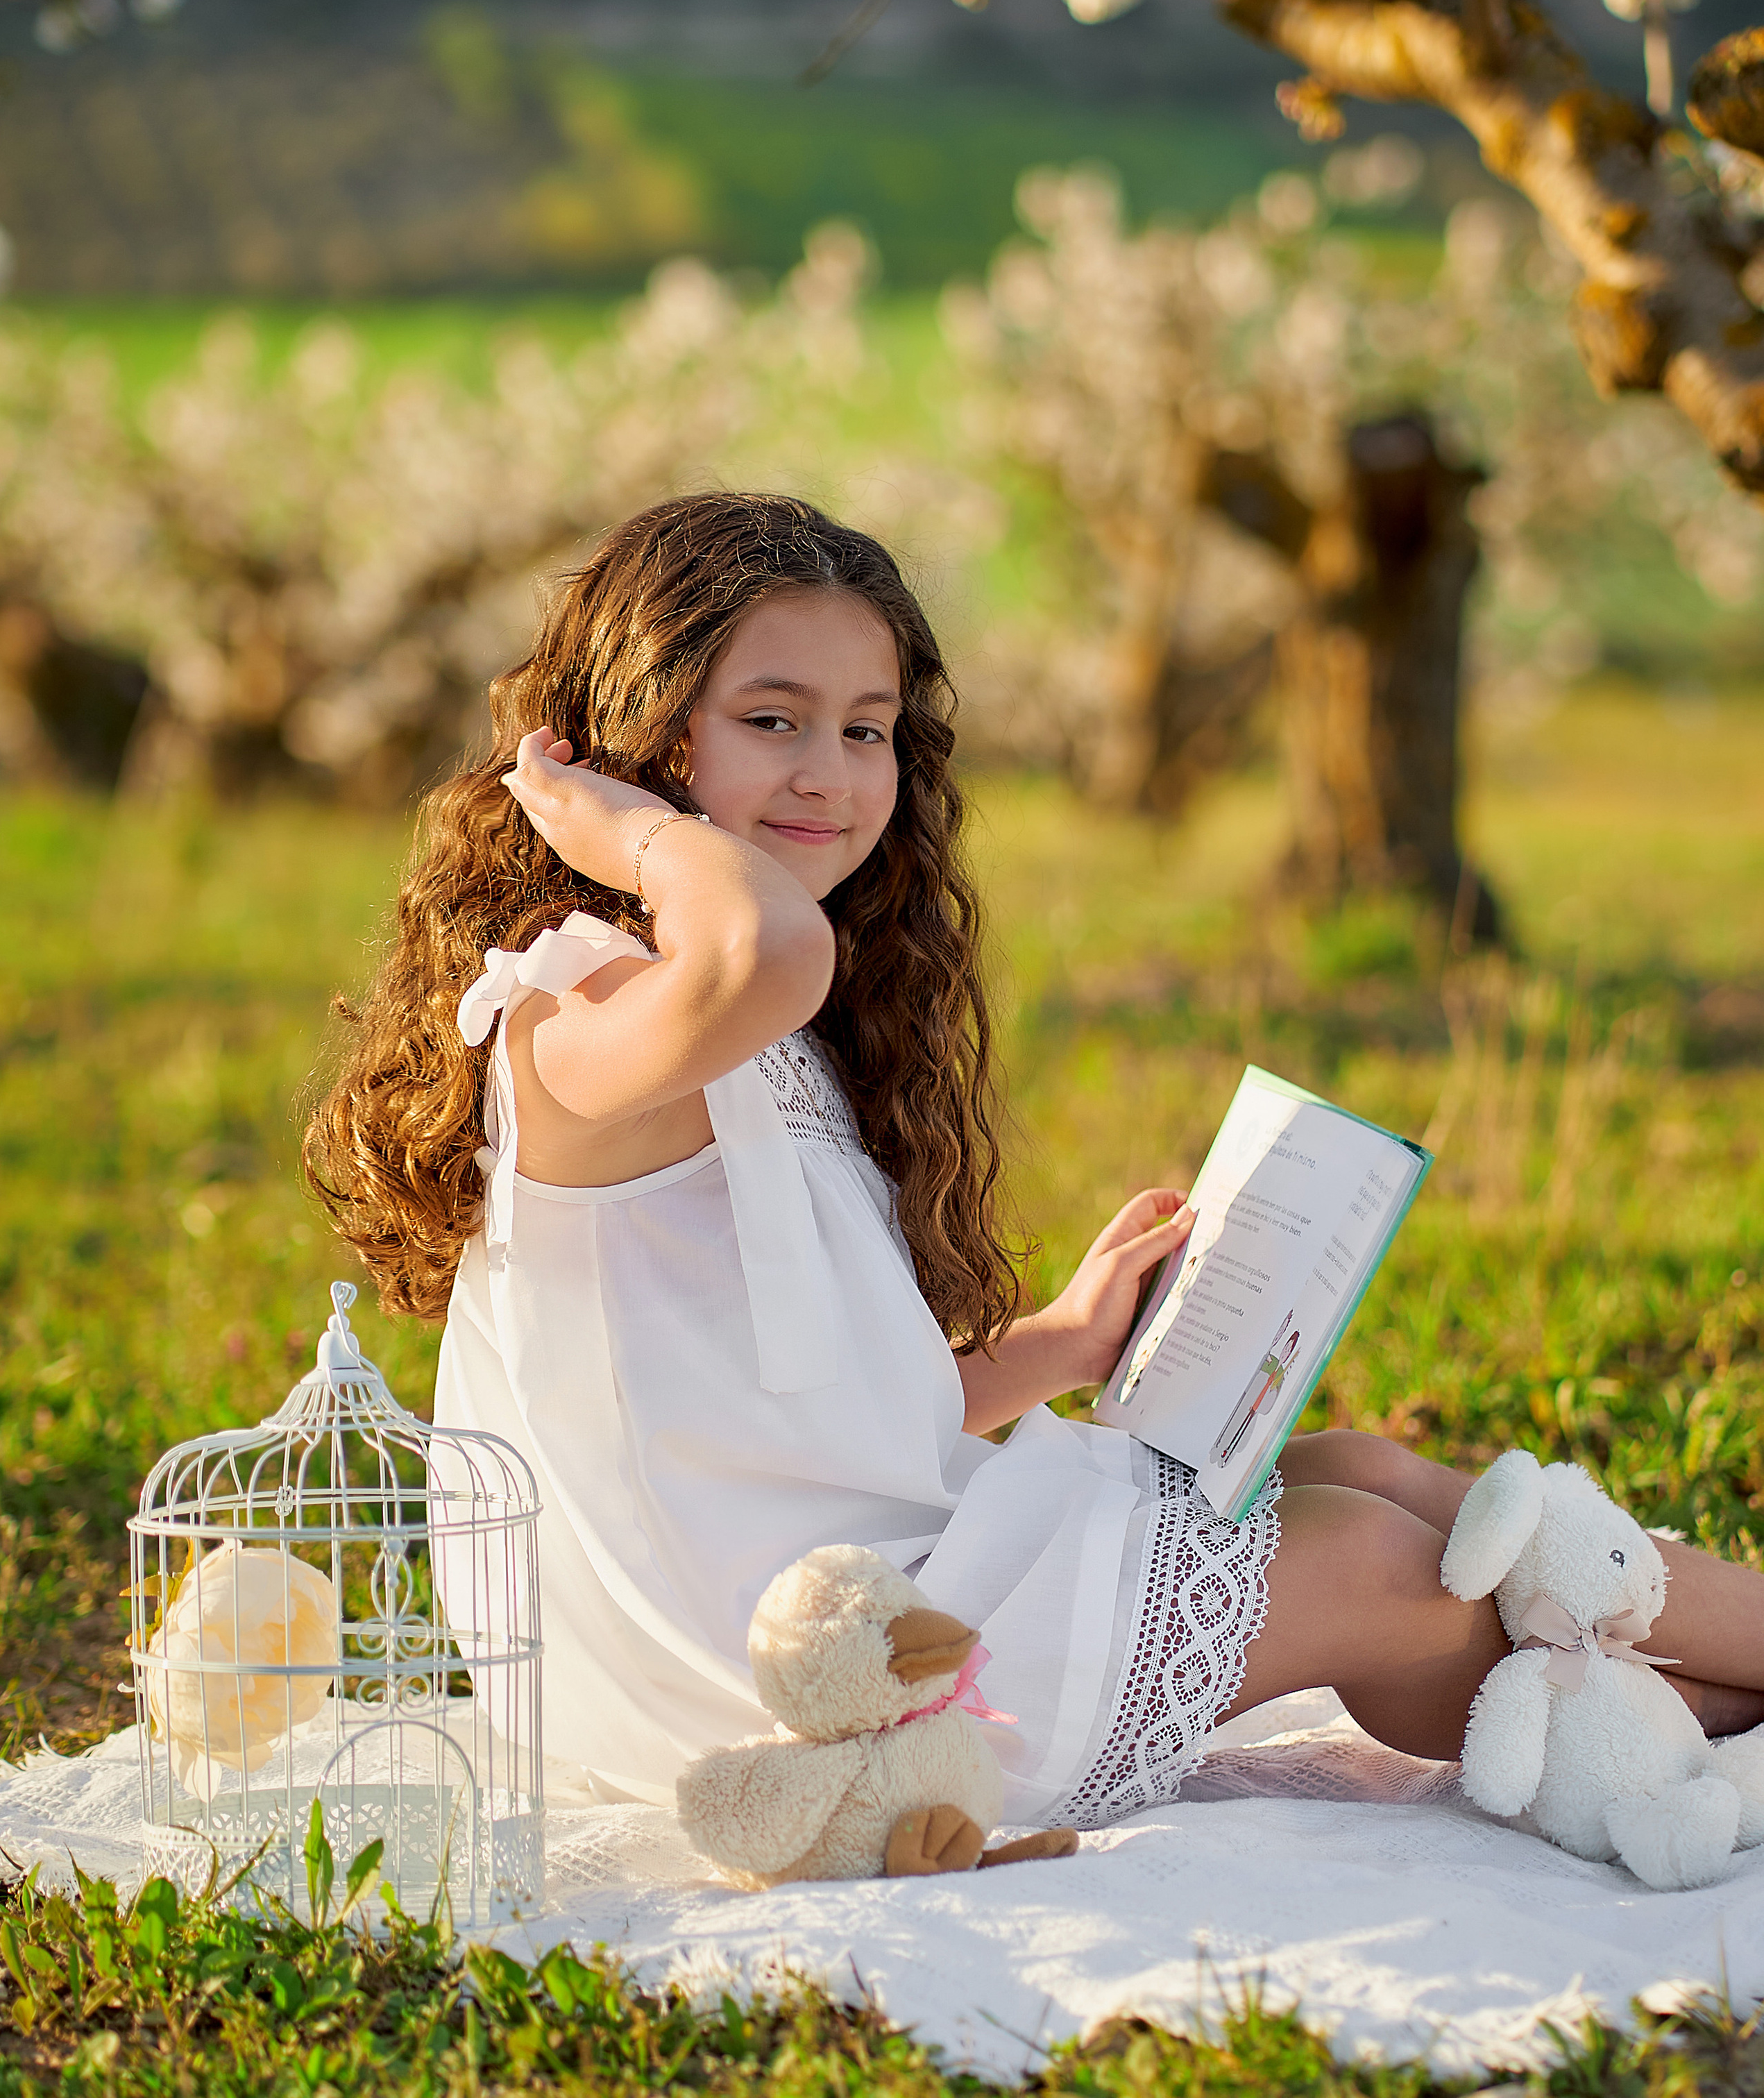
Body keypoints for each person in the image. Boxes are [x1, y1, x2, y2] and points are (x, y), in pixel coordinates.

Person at [307, 492, 1764, 1821]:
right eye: (772, 720)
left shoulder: (747, 1031)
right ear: (640, 733)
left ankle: (1721, 1710)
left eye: (865, 729)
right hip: (779, 1669)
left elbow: (806, 1426)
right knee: (1373, 1570)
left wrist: (1057, 1346)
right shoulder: (581, 1015)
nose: (828, 774)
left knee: (1345, 1469)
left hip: (856, 1585)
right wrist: (622, 832)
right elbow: (763, 944)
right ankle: (1707, 1730)